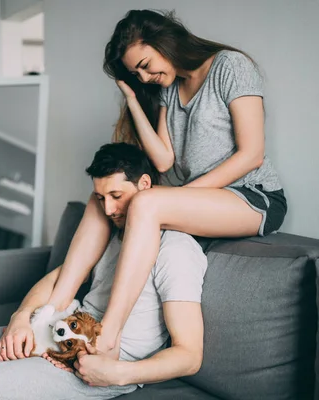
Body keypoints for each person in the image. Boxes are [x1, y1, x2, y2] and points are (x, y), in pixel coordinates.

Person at [46, 9, 287, 359]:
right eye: (136, 73)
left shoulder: (230, 67)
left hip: (253, 197)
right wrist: (133, 101)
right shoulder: (169, 90)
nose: (145, 76)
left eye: (145, 64)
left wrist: (177, 198)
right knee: (101, 199)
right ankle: (54, 309)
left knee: (145, 202)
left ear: (165, 41)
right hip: (208, 200)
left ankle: (107, 335)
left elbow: (251, 154)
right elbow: (162, 160)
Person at [0, 143, 208, 400]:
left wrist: (119, 373)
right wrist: (21, 317)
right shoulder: (114, 235)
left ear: (145, 186)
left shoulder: (177, 250)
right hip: (59, 331)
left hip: (102, 362)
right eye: (101, 199)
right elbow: (59, 279)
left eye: (117, 196)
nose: (109, 210)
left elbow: (189, 355)